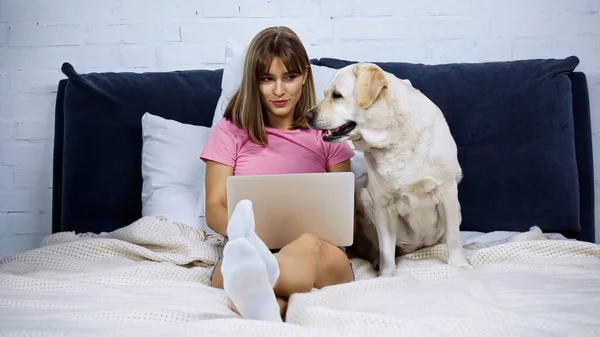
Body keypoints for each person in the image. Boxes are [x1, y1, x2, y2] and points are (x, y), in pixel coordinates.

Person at [199, 26, 356, 322]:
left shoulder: (327, 134)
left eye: (289, 77)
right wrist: (256, 242)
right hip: (248, 247)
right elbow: (215, 209)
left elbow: (345, 216)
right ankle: (273, 305)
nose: (280, 91)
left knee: (305, 245)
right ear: (253, 82)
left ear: (305, 75)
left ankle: (261, 279)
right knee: (238, 260)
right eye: (267, 79)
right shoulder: (230, 132)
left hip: (318, 252)